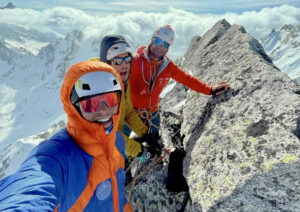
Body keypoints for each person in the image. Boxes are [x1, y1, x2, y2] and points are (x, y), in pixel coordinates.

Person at [0, 61, 133, 211]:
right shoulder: (56, 156)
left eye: (111, 100)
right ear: (74, 107)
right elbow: (30, 189)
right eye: (91, 104)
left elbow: (118, 198)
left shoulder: (117, 142)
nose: (104, 110)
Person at [130, 25, 229, 136]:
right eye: (158, 41)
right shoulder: (134, 61)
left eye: (165, 44)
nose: (160, 47)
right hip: (129, 114)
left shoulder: (168, 66)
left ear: (168, 48)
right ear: (152, 41)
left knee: (154, 146)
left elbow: (187, 79)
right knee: (122, 149)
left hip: (151, 115)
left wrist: (210, 90)